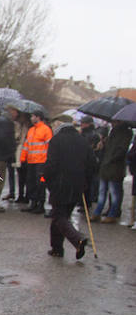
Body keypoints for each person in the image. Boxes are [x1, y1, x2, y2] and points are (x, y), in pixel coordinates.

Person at [44, 123, 93, 259]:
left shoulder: (56, 140)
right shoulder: (83, 141)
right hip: (77, 185)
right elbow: (92, 164)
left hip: (60, 184)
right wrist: (85, 182)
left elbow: (51, 164)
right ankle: (57, 248)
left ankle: (78, 240)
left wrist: (45, 178)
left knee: (59, 216)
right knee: (61, 216)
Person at [90, 120, 133, 223]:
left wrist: (110, 159)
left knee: (114, 192)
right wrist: (103, 143)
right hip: (106, 166)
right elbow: (109, 148)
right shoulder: (112, 132)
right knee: (102, 191)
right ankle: (97, 212)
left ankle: (112, 214)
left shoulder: (126, 133)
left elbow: (121, 151)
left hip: (115, 167)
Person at [20, 109, 52, 215]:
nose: (31, 118)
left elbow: (50, 147)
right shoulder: (31, 130)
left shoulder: (46, 130)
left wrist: (48, 161)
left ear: (38, 117)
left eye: (33, 116)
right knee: (31, 183)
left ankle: (40, 205)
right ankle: (33, 203)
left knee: (41, 183)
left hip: (41, 162)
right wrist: (23, 158)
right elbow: (26, 145)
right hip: (31, 162)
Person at [79, 115, 102, 210]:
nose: (81, 125)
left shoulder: (92, 135)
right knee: (83, 183)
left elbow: (92, 149)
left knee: (87, 184)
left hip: (88, 163)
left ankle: (86, 203)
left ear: (88, 124)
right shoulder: (83, 134)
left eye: (83, 123)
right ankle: (82, 202)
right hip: (83, 161)